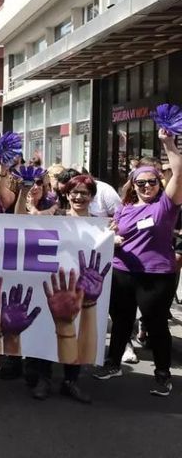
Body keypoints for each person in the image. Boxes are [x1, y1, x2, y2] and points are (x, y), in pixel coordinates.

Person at [93, 128, 182, 397]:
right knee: (121, 321)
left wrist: (168, 143)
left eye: (151, 182)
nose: (146, 187)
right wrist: (112, 237)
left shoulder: (166, 206)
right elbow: (111, 233)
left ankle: (163, 374)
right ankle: (112, 364)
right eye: (140, 183)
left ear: (159, 184)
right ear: (132, 185)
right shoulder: (123, 209)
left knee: (156, 325)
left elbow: (179, 173)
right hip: (123, 272)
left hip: (156, 275)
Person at [18, 175, 97, 403]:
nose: (79, 197)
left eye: (84, 192)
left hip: (82, 287)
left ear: (91, 197)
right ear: (67, 194)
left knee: (76, 331)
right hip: (52, 283)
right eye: (75, 192)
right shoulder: (55, 216)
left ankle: (71, 380)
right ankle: (44, 378)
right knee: (47, 330)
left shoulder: (100, 223)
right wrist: (25, 194)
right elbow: (23, 221)